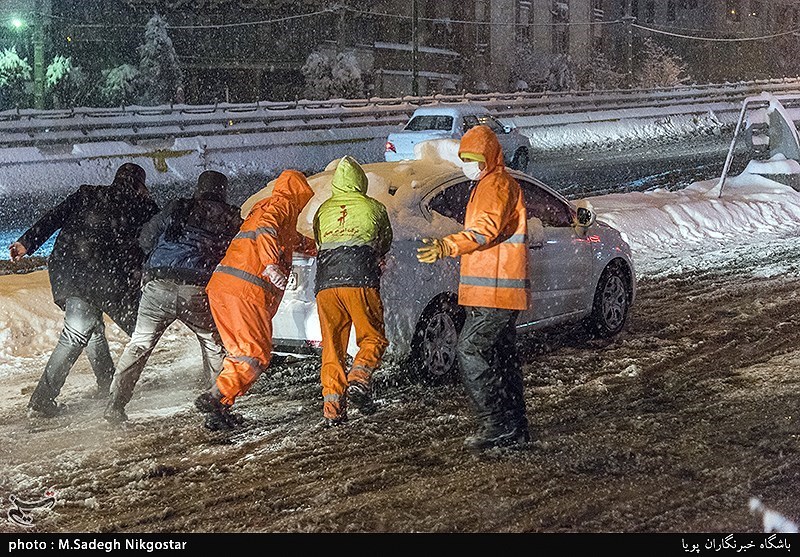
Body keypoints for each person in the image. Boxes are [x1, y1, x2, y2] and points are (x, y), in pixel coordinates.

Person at [9, 163, 159, 418]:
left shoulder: (88, 193)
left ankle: (107, 383)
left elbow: (53, 217)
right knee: (76, 334)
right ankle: (42, 400)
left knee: (91, 326)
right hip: (102, 276)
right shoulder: (142, 206)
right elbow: (152, 241)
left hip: (67, 268)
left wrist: (26, 242)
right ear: (139, 185)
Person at [416, 124, 531, 451]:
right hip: (494, 289)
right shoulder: (490, 184)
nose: (469, 164)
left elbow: (484, 232)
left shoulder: (495, 186)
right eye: (465, 157)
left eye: (475, 158)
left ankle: (495, 424)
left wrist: (446, 246)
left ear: (490, 157)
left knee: (470, 350)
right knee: (501, 356)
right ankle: (514, 427)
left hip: (495, 289)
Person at [103, 170, 243, 424]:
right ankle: (217, 404)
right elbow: (237, 252)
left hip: (158, 286)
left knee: (140, 344)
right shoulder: (232, 216)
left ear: (198, 189)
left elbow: (146, 237)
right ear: (223, 191)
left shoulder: (178, 207)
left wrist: (159, 257)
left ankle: (115, 405)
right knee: (212, 344)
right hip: (197, 291)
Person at [194, 169, 317, 430]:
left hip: (223, 288)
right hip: (246, 291)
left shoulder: (262, 210)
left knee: (240, 354)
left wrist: (322, 247)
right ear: (299, 193)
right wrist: (271, 265)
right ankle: (215, 398)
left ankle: (218, 411)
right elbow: (267, 229)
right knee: (255, 355)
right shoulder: (281, 205)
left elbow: (294, 240)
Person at [312, 155, 392, 427]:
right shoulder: (374, 207)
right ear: (361, 182)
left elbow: (319, 241)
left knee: (332, 347)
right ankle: (359, 379)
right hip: (360, 279)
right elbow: (384, 242)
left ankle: (333, 409)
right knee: (372, 338)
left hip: (325, 285)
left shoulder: (323, 209)